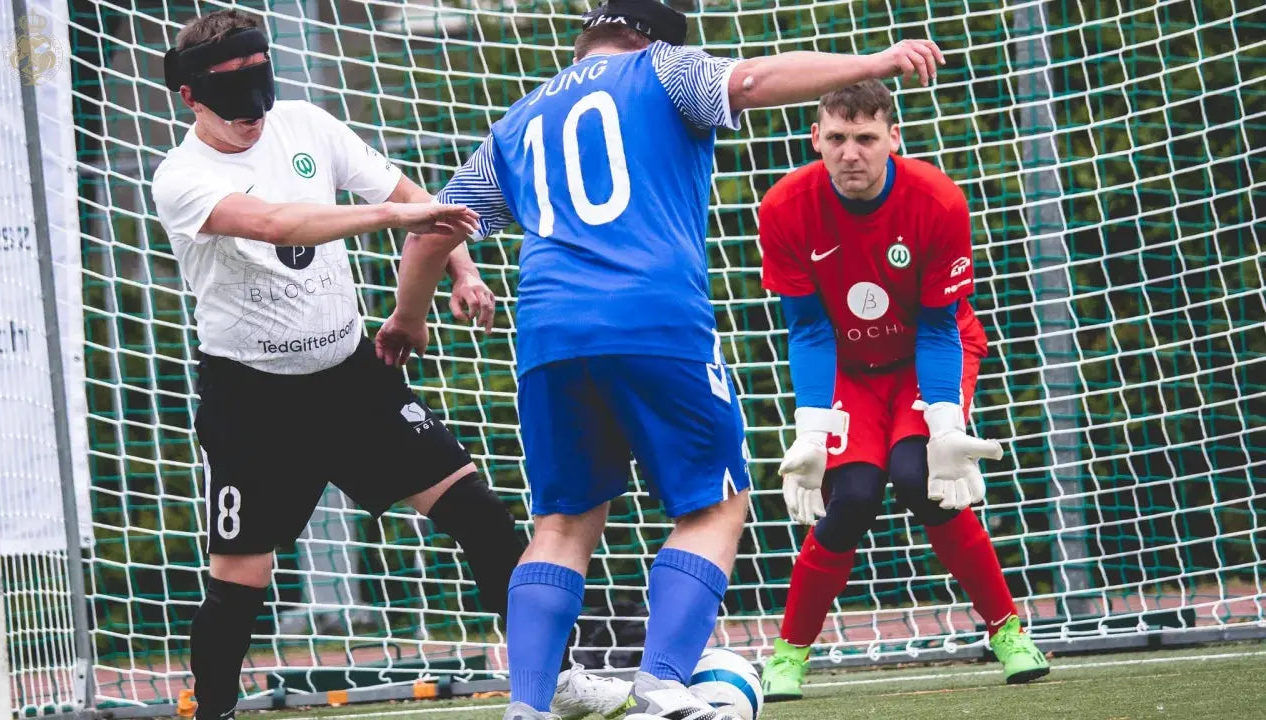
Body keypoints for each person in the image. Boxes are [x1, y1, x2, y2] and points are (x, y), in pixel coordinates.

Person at [374, 1, 945, 717]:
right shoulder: (662, 69)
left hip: (550, 336)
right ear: (649, 36)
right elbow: (751, 81)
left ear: (590, 33)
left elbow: (430, 233)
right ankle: (664, 686)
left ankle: (526, 707)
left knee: (561, 522)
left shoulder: (516, 122)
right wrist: (875, 62)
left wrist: (407, 317)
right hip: (655, 320)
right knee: (716, 501)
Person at [149, 9, 613, 720]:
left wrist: (459, 268)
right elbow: (280, 224)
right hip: (251, 400)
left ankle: (552, 679)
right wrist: (391, 222)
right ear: (189, 96)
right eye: (229, 94)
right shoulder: (180, 176)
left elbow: (412, 201)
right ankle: (212, 710)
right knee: (240, 581)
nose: (251, 112)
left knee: (481, 516)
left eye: (258, 83)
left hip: (351, 379)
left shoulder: (307, 124)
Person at [755, 79, 1051, 701]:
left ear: (894, 137)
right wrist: (811, 431)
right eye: (836, 138)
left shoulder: (938, 200)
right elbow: (809, 331)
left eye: (865, 138)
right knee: (855, 495)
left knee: (921, 476)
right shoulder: (784, 207)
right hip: (848, 369)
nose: (850, 153)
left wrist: (945, 427)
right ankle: (789, 652)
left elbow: (942, 327)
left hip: (927, 356)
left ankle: (1008, 632)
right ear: (816, 139)